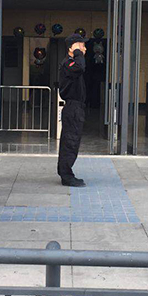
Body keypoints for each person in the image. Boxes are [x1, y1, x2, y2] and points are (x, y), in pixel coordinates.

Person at [57, 33, 87, 187]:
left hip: (77, 107)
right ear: (71, 48)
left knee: (72, 141)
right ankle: (66, 176)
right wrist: (77, 51)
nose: (84, 49)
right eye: (82, 45)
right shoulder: (68, 64)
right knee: (70, 141)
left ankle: (66, 172)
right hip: (72, 107)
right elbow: (80, 67)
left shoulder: (73, 63)